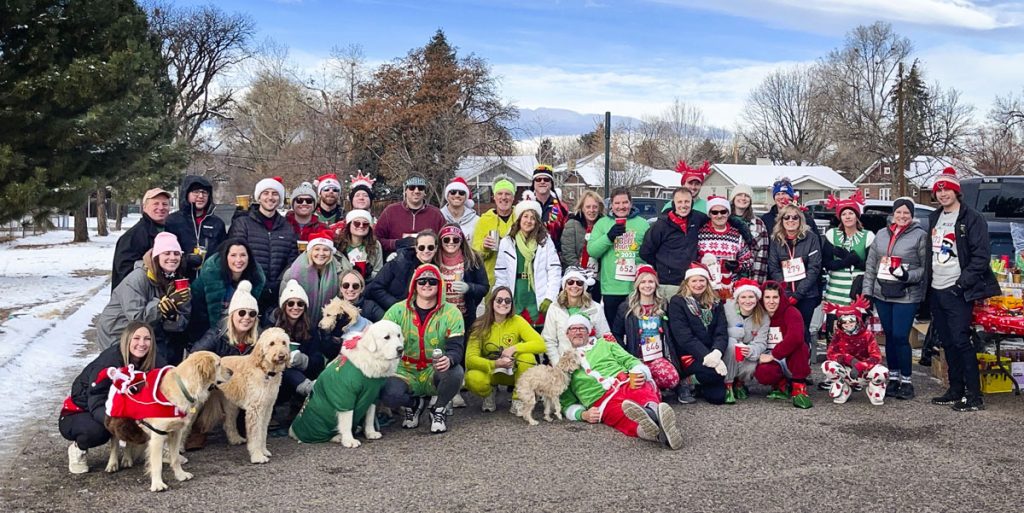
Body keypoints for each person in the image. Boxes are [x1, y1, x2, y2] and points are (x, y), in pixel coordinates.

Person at [925, 167, 1001, 412]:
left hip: (958, 289)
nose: (943, 194)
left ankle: (974, 395)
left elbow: (981, 256)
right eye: (939, 190)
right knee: (946, 341)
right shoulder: (934, 218)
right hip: (937, 287)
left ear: (956, 192)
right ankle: (955, 389)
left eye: (947, 189)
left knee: (961, 341)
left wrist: (961, 284)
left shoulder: (972, 218)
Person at [559, 314, 683, 450]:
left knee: (640, 389)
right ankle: (658, 431)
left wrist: (640, 372)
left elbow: (630, 360)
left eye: (582, 328)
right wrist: (583, 414)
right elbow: (566, 402)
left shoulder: (605, 344)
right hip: (602, 400)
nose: (577, 332)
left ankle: (653, 412)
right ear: (567, 334)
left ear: (589, 331)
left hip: (625, 381)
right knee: (620, 415)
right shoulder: (564, 364)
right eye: (573, 329)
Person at [60, 322, 163, 474]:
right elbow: (97, 400)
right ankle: (78, 450)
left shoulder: (153, 358)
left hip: (117, 406)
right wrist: (117, 423)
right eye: (136, 338)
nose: (142, 343)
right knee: (98, 431)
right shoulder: (109, 361)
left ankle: (158, 449)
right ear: (127, 339)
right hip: (83, 410)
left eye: (147, 339)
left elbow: (166, 382)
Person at [381, 264, 465, 434]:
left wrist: (449, 359)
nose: (427, 285)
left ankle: (438, 409)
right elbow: (382, 340)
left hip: (433, 369)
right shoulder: (396, 311)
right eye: (422, 281)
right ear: (414, 285)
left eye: (432, 281)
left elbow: (456, 347)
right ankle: (414, 404)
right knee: (387, 391)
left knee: (456, 372)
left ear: (439, 285)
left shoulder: (452, 312)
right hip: (404, 369)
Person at [862, 197, 927, 400]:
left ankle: (907, 381)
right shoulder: (881, 234)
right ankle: (893, 376)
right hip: (883, 292)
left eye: (906, 213)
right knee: (889, 336)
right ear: (893, 213)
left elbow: (925, 268)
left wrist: (907, 276)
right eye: (899, 212)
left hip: (906, 293)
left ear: (912, 215)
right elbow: (871, 265)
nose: (902, 216)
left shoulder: (920, 236)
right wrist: (868, 292)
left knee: (900, 336)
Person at [97, 232, 191, 364]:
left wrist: (172, 316)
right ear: (156, 256)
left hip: (150, 333)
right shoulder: (137, 279)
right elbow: (136, 318)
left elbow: (182, 322)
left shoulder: (179, 281)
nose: (172, 257)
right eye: (167, 253)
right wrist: (160, 307)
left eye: (176, 253)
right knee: (127, 375)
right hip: (119, 332)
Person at [464, 287, 546, 413]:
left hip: (512, 372)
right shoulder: (480, 324)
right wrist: (494, 363)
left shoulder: (518, 321)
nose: (503, 303)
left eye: (508, 301)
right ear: (491, 302)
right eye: (499, 300)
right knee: (473, 377)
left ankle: (518, 398)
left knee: (527, 358)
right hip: (491, 371)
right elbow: (469, 359)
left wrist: (514, 348)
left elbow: (541, 344)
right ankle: (488, 394)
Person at [227, 176, 299, 310]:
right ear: (258, 197)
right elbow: (235, 256)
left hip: (276, 292)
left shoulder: (287, 227)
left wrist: (278, 283)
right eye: (266, 193)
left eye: (275, 193)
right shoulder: (243, 223)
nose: (270, 197)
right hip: (247, 289)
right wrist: (257, 281)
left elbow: (292, 260)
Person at [611, 265, 682, 396]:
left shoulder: (663, 304)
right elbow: (616, 333)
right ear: (637, 285)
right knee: (636, 386)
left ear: (656, 284)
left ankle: (651, 386)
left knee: (672, 379)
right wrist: (624, 353)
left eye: (650, 281)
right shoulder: (626, 307)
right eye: (643, 282)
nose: (647, 285)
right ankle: (651, 391)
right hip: (636, 357)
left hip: (657, 357)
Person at [494, 198, 562, 330]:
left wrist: (550, 296)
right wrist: (500, 296)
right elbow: (501, 273)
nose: (528, 221)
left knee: (538, 332)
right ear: (519, 219)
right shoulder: (507, 242)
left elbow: (554, 270)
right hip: (516, 291)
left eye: (533, 218)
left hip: (537, 291)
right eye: (525, 216)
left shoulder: (545, 241)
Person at [587, 187, 650, 324]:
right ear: (611, 205)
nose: (621, 207)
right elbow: (592, 250)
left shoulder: (643, 224)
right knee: (614, 331)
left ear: (631, 204)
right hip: (611, 288)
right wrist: (609, 237)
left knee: (635, 330)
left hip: (636, 288)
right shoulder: (602, 223)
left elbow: (649, 253)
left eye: (625, 203)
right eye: (617, 203)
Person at [667, 263, 728, 405]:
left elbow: (721, 332)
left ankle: (698, 383)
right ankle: (685, 381)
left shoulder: (716, 302)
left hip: (712, 353)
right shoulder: (678, 302)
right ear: (687, 283)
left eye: (702, 280)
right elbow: (684, 337)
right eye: (694, 281)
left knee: (718, 398)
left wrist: (717, 353)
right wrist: (708, 357)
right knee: (713, 373)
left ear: (707, 282)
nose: (698, 284)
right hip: (690, 355)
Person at [767, 203, 822, 356]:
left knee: (803, 331)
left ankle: (803, 369)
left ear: (800, 220)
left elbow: (814, 267)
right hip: (785, 295)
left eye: (795, 217)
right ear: (781, 220)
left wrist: (798, 293)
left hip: (806, 294)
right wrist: (786, 291)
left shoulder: (811, 238)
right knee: (787, 331)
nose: (791, 220)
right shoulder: (776, 240)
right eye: (787, 217)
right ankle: (786, 367)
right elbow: (773, 267)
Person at [187, 238, 266, 340]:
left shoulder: (256, 278)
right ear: (226, 257)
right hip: (204, 326)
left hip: (237, 329)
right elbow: (208, 313)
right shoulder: (212, 274)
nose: (238, 260)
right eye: (233, 255)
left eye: (243, 255)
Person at [753, 282, 812, 409]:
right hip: (768, 355)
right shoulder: (757, 313)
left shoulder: (791, 311)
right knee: (764, 372)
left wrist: (775, 354)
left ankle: (799, 386)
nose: (771, 301)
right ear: (762, 299)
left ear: (781, 298)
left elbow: (796, 337)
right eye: (767, 297)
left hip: (788, 355)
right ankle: (781, 384)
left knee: (800, 347)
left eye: (775, 297)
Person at [640, 188, 709, 298]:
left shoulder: (698, 218)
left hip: (690, 281)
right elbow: (645, 252)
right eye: (680, 202)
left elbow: (719, 220)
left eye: (687, 201)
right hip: (668, 282)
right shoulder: (661, 225)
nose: (683, 205)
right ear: (673, 203)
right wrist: (662, 265)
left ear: (691, 202)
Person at [820, 296, 889, 405]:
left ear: (858, 319)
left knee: (883, 372)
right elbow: (831, 353)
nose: (848, 324)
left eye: (851, 320)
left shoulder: (867, 335)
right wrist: (849, 359)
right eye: (843, 321)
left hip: (865, 371)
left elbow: (876, 357)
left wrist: (861, 365)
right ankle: (844, 388)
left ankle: (874, 390)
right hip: (846, 370)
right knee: (827, 366)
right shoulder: (838, 335)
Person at [543, 267, 611, 364]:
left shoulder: (596, 307)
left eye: (579, 283)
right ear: (565, 286)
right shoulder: (554, 308)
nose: (574, 286)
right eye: (570, 282)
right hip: (563, 361)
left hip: (591, 361)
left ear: (584, 287)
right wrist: (558, 364)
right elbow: (549, 340)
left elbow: (604, 337)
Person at [165, 175, 226, 280]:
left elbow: (224, 252)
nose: (201, 196)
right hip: (180, 279)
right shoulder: (173, 221)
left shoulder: (217, 223)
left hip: (209, 281)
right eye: (196, 192)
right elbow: (164, 253)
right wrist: (185, 259)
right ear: (187, 194)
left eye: (204, 192)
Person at [365, 230, 440, 314]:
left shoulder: (436, 269)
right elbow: (376, 288)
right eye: (421, 247)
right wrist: (397, 306)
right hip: (389, 311)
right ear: (416, 248)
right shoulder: (398, 262)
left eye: (430, 247)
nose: (426, 251)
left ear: (436, 248)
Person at [821, 190, 873, 309]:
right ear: (840, 217)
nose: (848, 217)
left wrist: (856, 261)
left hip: (858, 292)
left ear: (857, 216)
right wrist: (846, 261)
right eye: (844, 214)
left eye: (851, 213)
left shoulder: (868, 236)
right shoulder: (832, 234)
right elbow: (827, 263)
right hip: (835, 292)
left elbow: (870, 266)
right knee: (834, 326)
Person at [721, 279, 771, 404]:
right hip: (726, 351)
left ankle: (740, 383)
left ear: (756, 298)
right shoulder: (726, 309)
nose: (747, 301)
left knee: (751, 366)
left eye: (751, 297)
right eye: (743, 297)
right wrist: (734, 333)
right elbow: (718, 332)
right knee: (731, 343)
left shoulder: (763, 316)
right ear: (737, 298)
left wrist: (751, 350)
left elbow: (761, 341)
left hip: (746, 350)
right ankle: (728, 383)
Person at [112, 188, 171, 290]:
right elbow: (125, 270)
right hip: (137, 297)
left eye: (164, 204)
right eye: (155, 204)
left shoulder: (169, 231)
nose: (161, 207)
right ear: (144, 207)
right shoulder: (134, 235)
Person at [274, 280, 323, 399]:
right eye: (291, 303)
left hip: (303, 374)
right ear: (284, 305)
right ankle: (308, 388)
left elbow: (318, 361)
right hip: (276, 379)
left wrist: (303, 361)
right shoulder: (273, 325)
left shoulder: (310, 329)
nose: (295, 307)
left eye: (300, 304)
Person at [696, 195, 754, 298]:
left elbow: (749, 262)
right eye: (715, 212)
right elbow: (691, 260)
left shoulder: (737, 235)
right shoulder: (699, 233)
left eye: (723, 212)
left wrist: (737, 266)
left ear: (728, 213)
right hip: (705, 290)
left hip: (729, 291)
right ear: (709, 214)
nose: (719, 215)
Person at [374, 176, 445, 255]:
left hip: (427, 262)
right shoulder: (390, 211)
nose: (416, 191)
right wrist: (396, 243)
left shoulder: (436, 214)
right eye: (412, 187)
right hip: (396, 261)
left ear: (425, 192)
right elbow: (376, 240)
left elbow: (445, 241)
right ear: (405, 191)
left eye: (421, 188)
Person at [437, 224, 489, 329]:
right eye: (446, 239)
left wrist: (469, 288)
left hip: (464, 317)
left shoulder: (473, 258)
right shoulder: (435, 259)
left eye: (455, 239)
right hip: (439, 316)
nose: (451, 242)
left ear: (461, 241)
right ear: (441, 242)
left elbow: (484, 287)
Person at [281, 230, 339, 324]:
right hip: (298, 324)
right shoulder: (293, 272)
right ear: (310, 251)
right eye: (317, 249)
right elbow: (283, 302)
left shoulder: (338, 272)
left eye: (325, 250)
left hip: (327, 325)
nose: (321, 253)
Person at [192, 279, 260, 357]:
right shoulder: (216, 335)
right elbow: (194, 358)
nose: (247, 317)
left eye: (252, 313)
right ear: (232, 314)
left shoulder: (260, 338)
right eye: (242, 313)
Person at [471, 176, 517, 287]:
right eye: (500, 194)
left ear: (513, 197)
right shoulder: (484, 220)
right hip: (491, 278)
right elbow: (474, 254)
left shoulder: (520, 217)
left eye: (507, 194)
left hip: (516, 277)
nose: (504, 197)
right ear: (494, 197)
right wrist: (484, 247)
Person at [560, 189, 604, 301]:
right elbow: (568, 253)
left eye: (595, 207)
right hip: (577, 278)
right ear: (582, 208)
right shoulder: (572, 224)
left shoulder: (604, 225)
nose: (591, 210)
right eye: (588, 207)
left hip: (598, 277)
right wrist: (582, 275)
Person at [730, 184, 770, 282]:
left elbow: (762, 255)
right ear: (733, 198)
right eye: (739, 194)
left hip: (749, 276)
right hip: (727, 278)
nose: (743, 198)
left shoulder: (758, 224)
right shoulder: (723, 219)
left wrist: (756, 283)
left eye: (747, 196)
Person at [332, 209, 382, 281]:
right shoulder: (337, 245)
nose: (361, 226)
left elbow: (379, 272)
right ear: (349, 225)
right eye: (357, 223)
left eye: (365, 224)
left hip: (366, 286)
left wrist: (369, 274)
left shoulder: (375, 245)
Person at [529, 164, 568, 248]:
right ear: (533, 184)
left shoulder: (561, 208)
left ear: (551, 184)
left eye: (546, 179)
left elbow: (567, 235)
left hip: (555, 255)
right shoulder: (526, 206)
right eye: (538, 179)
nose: (542, 182)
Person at [440, 177, 479, 244]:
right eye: (453, 192)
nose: (457, 195)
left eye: (461, 193)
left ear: (466, 197)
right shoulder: (438, 217)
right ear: (447, 195)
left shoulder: (476, 220)